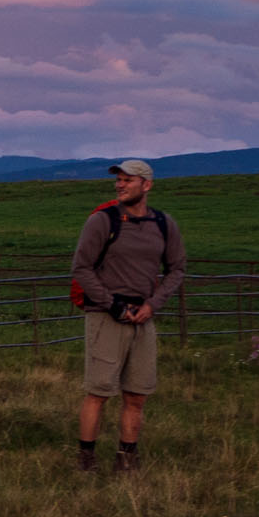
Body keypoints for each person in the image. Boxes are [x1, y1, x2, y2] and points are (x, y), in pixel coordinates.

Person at [71, 159, 187, 472]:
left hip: (144, 317)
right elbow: (81, 267)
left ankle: (127, 460)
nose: (120, 185)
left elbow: (177, 268)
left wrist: (153, 304)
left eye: (128, 180)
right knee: (98, 392)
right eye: (119, 180)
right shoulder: (102, 220)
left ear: (147, 185)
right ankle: (86, 461)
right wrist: (113, 305)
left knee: (137, 395)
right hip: (106, 316)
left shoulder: (163, 224)